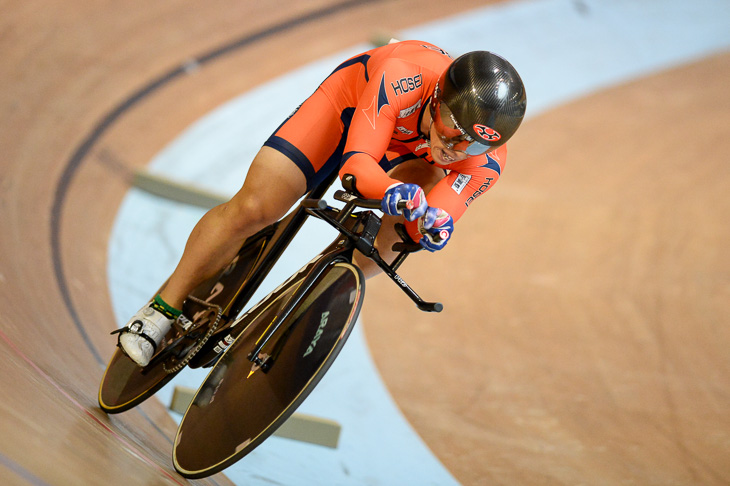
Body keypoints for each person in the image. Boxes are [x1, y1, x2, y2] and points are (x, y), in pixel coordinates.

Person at [118, 39, 527, 367]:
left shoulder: (487, 158)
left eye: (475, 143)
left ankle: (285, 313)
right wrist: (387, 191)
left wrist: (433, 225)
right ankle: (159, 311)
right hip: (351, 108)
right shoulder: (403, 76)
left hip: (411, 152)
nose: (459, 150)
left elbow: (437, 215)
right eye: (454, 133)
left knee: (385, 249)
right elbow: (357, 167)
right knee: (256, 208)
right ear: (437, 101)